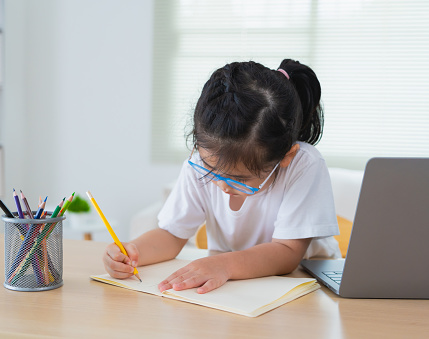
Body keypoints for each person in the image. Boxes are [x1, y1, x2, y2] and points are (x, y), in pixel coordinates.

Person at [103, 59, 341, 294]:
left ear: (286, 157)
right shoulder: (201, 162)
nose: (221, 185)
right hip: (235, 283)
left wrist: (223, 264)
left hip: (306, 284)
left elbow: (288, 253)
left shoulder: (304, 165)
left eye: (240, 179)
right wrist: (133, 251)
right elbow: (172, 234)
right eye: (210, 170)